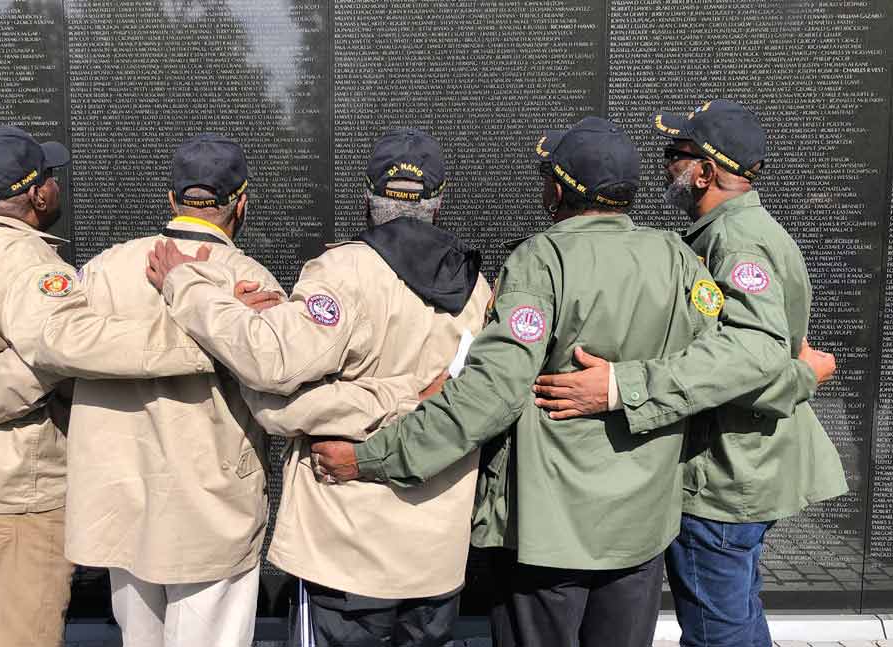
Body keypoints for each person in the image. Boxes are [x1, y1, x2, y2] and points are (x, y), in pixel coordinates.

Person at [310, 116, 766, 647]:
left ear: (558, 187)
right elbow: (738, 352)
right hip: (640, 534)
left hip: (550, 538)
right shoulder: (680, 261)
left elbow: (491, 394)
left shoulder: (540, 262)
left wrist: (373, 457)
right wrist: (635, 385)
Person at [144, 128, 492, 647]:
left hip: (345, 549)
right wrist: (410, 397)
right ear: (441, 201)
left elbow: (270, 366)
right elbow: (458, 401)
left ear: (367, 198)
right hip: (435, 556)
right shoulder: (479, 290)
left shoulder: (343, 272)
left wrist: (188, 287)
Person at [530, 100, 847, 647]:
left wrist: (621, 387)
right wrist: (800, 373)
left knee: (716, 633)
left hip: (725, 476)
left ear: (705, 171)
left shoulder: (735, 241)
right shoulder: (726, 233)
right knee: (739, 620)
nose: (665, 165)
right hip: (742, 468)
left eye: (676, 154)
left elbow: (752, 352)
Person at [0, 125, 225, 647]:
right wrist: (212, 336)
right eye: (52, 177)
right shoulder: (31, 266)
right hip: (11, 494)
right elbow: (52, 356)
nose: (57, 187)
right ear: (36, 193)